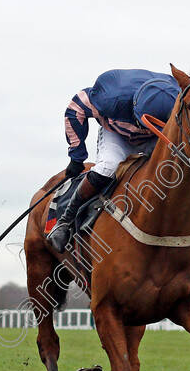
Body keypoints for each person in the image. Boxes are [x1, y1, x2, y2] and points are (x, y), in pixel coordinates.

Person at [47, 69, 180, 252]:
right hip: (117, 136)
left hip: (156, 137)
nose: (142, 129)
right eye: (143, 123)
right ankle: (64, 222)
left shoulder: (178, 98)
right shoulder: (109, 97)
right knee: (108, 168)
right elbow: (75, 109)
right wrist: (76, 157)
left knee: (176, 163)